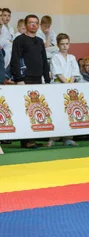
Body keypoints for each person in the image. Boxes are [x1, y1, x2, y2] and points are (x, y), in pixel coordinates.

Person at [10, 14, 51, 149]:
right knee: (25, 109)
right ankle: (26, 140)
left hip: (38, 79)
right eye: (31, 23)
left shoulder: (39, 41)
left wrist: (47, 78)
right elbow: (15, 60)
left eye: (36, 23)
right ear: (26, 25)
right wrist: (19, 79)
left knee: (35, 109)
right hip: (24, 79)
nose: (33, 25)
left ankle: (33, 137)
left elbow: (44, 61)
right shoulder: (19, 40)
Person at [48, 33, 80, 147]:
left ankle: (68, 138)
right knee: (57, 113)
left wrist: (70, 84)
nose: (65, 46)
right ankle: (52, 138)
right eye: (62, 44)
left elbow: (75, 72)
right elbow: (58, 73)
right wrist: (66, 84)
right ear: (58, 45)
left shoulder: (72, 57)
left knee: (68, 113)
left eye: (67, 44)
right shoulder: (55, 57)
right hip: (58, 86)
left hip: (69, 87)